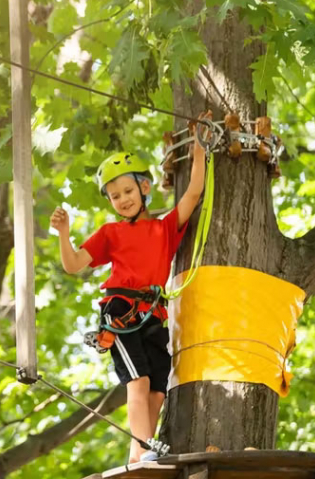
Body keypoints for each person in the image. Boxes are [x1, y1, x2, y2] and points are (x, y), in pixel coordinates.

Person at [50, 140, 206, 463]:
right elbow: (74, 263)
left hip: (154, 314)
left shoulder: (164, 229)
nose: (122, 199)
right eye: (114, 196)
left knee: (158, 387)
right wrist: (64, 234)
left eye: (127, 191)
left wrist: (200, 155)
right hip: (121, 310)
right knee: (138, 380)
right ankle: (147, 447)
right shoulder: (111, 233)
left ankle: (138, 451)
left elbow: (193, 194)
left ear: (144, 187)